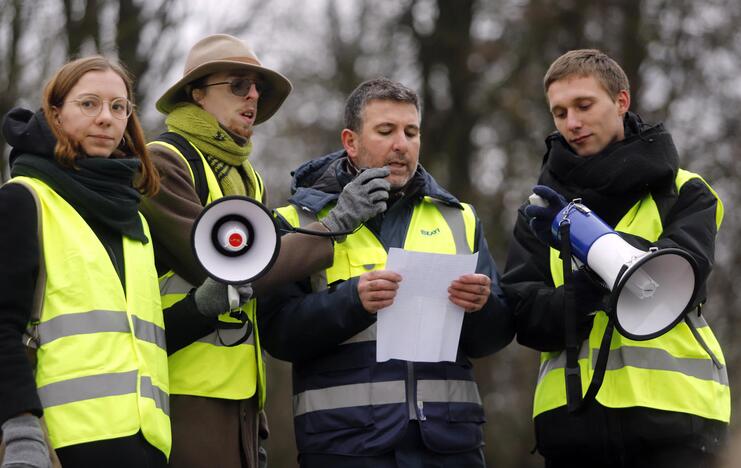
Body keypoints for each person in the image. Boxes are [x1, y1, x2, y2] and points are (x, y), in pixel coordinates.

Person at [140, 34, 386, 468]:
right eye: (238, 85)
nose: (253, 95)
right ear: (197, 95)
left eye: (257, 87)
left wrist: (255, 422)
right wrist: (333, 226)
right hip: (178, 389)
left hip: (241, 397)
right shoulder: (164, 162)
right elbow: (225, 269)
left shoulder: (247, 175)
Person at [0, 56, 248, 468]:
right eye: (89, 104)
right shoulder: (24, 199)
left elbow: (137, 338)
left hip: (146, 443)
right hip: (57, 446)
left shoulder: (133, 217)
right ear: (55, 113)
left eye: (118, 107)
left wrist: (204, 307)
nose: (106, 118)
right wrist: (20, 429)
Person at [259, 77, 514, 467]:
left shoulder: (459, 218)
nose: (402, 144)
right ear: (351, 142)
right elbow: (278, 335)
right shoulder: (298, 222)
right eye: (386, 131)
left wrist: (481, 308)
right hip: (344, 444)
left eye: (411, 132)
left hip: (449, 443)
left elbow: (494, 336)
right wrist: (352, 301)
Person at [501, 49, 729, 467]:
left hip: (677, 424)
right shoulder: (538, 211)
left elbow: (680, 276)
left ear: (621, 101)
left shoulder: (687, 191)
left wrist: (585, 239)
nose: (572, 123)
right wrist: (588, 288)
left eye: (584, 105)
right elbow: (527, 319)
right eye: (559, 112)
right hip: (573, 431)